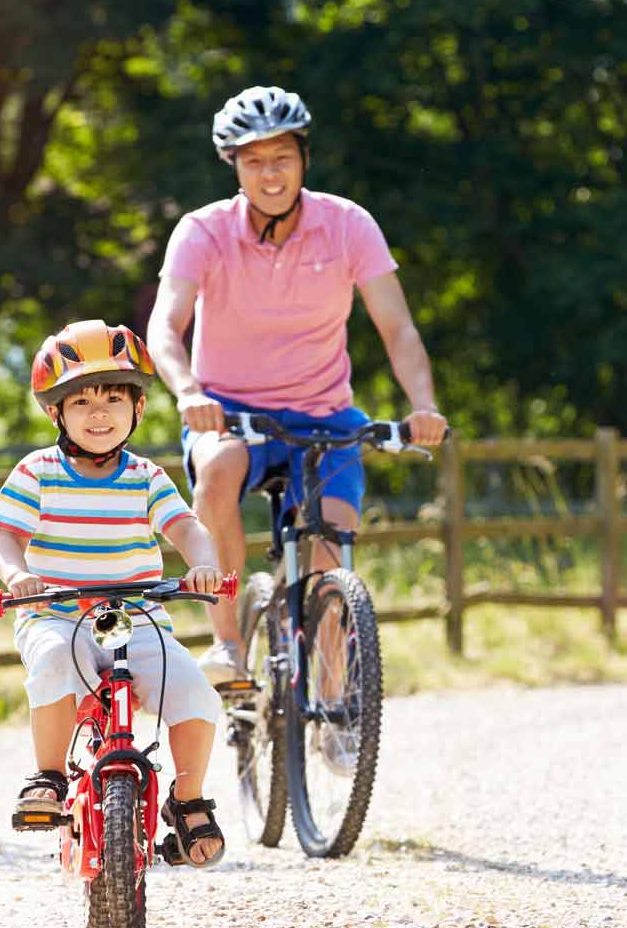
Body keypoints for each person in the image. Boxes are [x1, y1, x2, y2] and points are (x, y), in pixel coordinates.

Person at [144, 85, 449, 683]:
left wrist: (424, 405)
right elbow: (164, 325)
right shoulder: (202, 232)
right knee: (218, 470)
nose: (270, 173)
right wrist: (187, 391)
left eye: (281, 157)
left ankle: (334, 693)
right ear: (234, 166)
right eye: (253, 160)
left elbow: (398, 327)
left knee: (332, 542)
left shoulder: (348, 225)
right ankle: (228, 641)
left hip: (326, 414)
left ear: (304, 158)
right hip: (228, 412)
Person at [0, 321, 228, 868]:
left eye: (114, 398)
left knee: (194, 692)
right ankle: (46, 774)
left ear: (137, 408)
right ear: (56, 414)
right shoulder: (37, 471)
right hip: (57, 613)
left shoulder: (146, 476)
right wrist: (18, 575)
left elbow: (186, 528)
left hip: (137, 615)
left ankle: (188, 800)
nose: (99, 413)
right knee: (49, 662)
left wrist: (204, 564)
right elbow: (5, 536)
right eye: (82, 400)